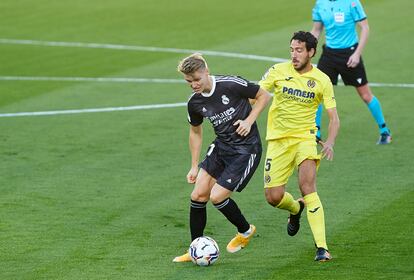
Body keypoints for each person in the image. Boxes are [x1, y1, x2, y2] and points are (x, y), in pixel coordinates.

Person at [173, 53, 272, 262]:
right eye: (188, 81)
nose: (193, 85)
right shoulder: (195, 102)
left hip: (246, 150)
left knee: (217, 196)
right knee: (198, 195)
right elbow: (195, 132)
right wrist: (193, 166)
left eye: (197, 79)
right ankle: (195, 248)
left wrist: (249, 120)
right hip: (221, 147)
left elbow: (264, 95)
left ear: (206, 71)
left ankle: (245, 231)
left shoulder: (230, 84)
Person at [259, 31, 340, 262]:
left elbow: (334, 117)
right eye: (292, 50)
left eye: (299, 50)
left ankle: (322, 248)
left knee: (308, 187)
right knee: (273, 197)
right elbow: (257, 94)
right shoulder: (277, 71)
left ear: (311, 52)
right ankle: (295, 210)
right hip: (278, 141)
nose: (294, 55)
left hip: (305, 139)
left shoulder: (322, 80)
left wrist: (331, 141)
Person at [311, 0, 391, 145]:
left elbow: (365, 28)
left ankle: (384, 131)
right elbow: (317, 29)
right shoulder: (320, 3)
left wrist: (357, 54)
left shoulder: (352, 3)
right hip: (329, 54)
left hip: (350, 54)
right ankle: (316, 133)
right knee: (316, 92)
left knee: (365, 95)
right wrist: (308, 49)